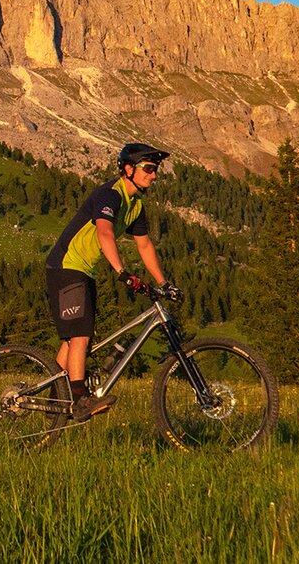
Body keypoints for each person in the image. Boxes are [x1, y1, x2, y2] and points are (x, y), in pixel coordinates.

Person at [43, 143, 171, 420]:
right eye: (148, 169)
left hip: (86, 270)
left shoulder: (136, 204)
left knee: (75, 338)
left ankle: (55, 399)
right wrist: (122, 272)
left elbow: (145, 246)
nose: (154, 175)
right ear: (128, 169)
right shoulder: (109, 194)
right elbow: (105, 233)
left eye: (156, 169)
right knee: (80, 335)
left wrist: (164, 283)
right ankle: (79, 400)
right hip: (67, 265)